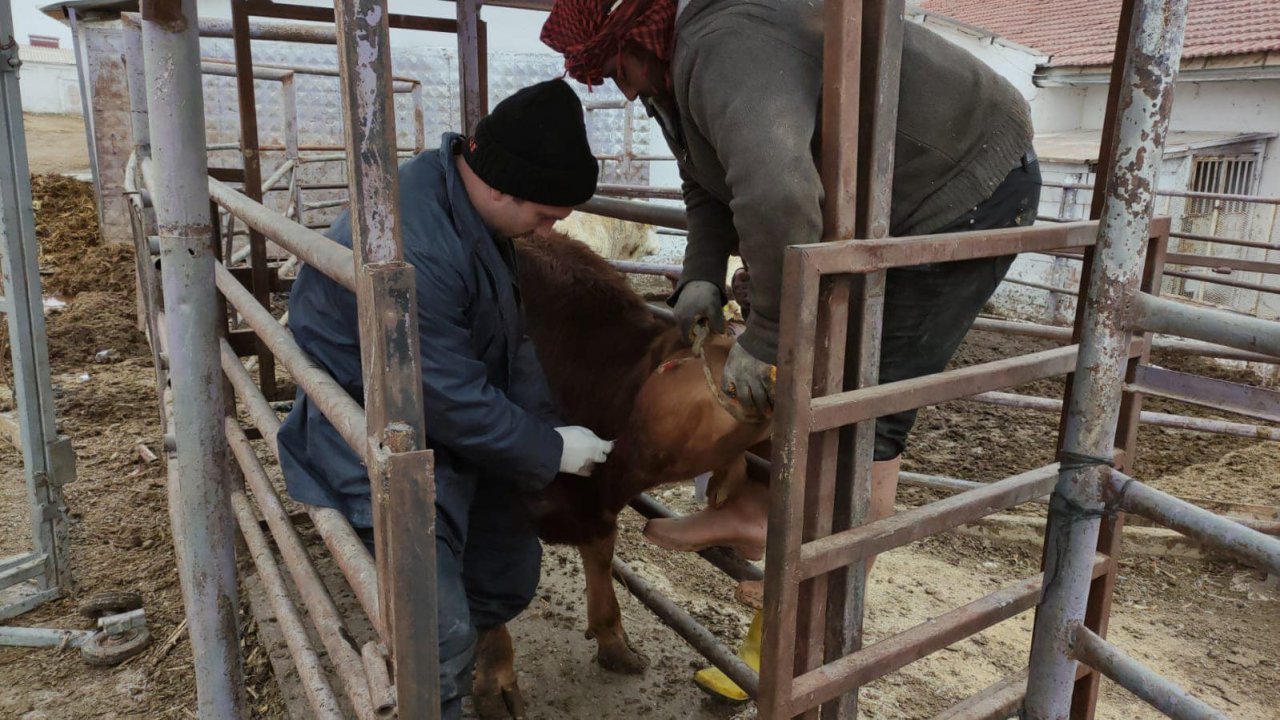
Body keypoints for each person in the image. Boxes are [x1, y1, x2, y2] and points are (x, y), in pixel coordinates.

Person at [542, 0, 1040, 700]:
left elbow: (778, 193)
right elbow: (707, 178)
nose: (620, 88)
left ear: (636, 36)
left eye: (613, 68)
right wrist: (701, 276)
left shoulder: (718, 48)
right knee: (802, 379)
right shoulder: (671, 73)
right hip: (873, 200)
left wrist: (769, 332)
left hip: (958, 189)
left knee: (864, 406)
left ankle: (819, 621)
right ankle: (763, 528)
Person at [276, 79, 615, 719]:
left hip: (450, 424)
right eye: (544, 216)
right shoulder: (416, 240)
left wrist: (548, 430)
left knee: (508, 574)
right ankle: (435, 694)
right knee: (438, 635)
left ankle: (458, 631)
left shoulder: (472, 210)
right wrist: (545, 447)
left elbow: (508, 346)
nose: (546, 231)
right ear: (501, 184)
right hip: (379, 427)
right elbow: (441, 391)